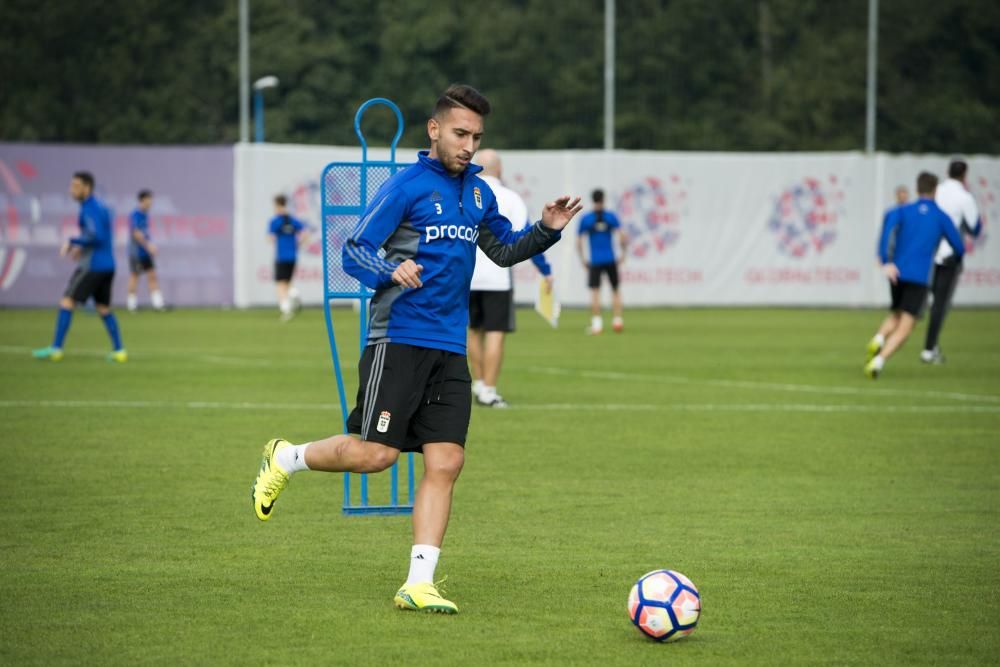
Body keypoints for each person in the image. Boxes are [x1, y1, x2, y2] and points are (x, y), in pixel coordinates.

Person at [249, 84, 581, 613]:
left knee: (446, 461)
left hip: (450, 347)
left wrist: (546, 230)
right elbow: (355, 250)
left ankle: (418, 583)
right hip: (398, 337)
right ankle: (287, 457)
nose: (469, 145)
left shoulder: (479, 193)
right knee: (376, 455)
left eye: (477, 136)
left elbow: (501, 250)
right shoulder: (404, 187)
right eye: (460, 134)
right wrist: (390, 268)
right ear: (434, 130)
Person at [467, 148, 553, 408]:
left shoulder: (466, 196)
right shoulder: (512, 198)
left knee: (472, 331)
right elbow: (527, 238)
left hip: (467, 277)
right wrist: (545, 270)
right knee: (495, 333)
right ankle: (489, 390)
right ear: (500, 170)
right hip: (498, 278)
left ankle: (479, 382)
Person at [864, 172, 964, 379]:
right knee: (906, 325)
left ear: (917, 189)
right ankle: (878, 361)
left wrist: (886, 260)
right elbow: (959, 246)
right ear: (935, 190)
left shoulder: (902, 210)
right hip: (919, 276)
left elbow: (887, 230)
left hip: (897, 273)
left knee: (896, 314)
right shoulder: (941, 216)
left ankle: (879, 337)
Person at [32, 171, 126, 362]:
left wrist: (72, 242)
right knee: (103, 308)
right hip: (108, 265)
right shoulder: (100, 206)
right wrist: (81, 247)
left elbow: (96, 235)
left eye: (75, 186)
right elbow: (101, 236)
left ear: (86, 187)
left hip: (93, 266)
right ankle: (119, 351)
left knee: (67, 302)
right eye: (71, 185)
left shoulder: (90, 208)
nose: (71, 190)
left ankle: (56, 349)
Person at [921, 159, 982, 364]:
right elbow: (974, 228)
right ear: (965, 175)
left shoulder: (936, 190)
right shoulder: (965, 197)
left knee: (931, 301)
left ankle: (931, 345)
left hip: (929, 253)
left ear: (947, 172)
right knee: (941, 303)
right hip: (949, 255)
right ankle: (929, 349)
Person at [577, 188, 627, 334]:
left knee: (595, 292)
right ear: (603, 199)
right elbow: (622, 236)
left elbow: (579, 241)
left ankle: (597, 325)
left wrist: (583, 259)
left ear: (592, 200)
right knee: (615, 290)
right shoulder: (611, 217)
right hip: (610, 258)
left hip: (595, 260)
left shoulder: (587, 219)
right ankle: (617, 321)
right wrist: (623, 254)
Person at [268, 194, 308, 321]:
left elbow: (270, 238)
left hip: (281, 256)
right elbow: (305, 233)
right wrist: (298, 244)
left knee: (280, 284)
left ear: (278, 205)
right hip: (292, 256)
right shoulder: (292, 220)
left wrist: (277, 241)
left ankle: (285, 309)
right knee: (288, 282)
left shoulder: (276, 221)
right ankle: (294, 294)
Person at [126, 189, 166, 312]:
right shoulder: (135, 215)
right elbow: (136, 233)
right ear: (142, 200)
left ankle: (158, 304)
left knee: (152, 275)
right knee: (134, 275)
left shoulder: (145, 215)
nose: (151, 202)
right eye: (149, 199)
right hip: (136, 252)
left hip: (145, 253)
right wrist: (148, 245)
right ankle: (131, 304)